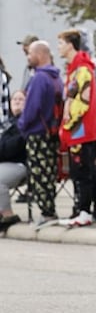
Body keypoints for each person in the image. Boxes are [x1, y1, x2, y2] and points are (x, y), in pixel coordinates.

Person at [56, 29, 96, 227]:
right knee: (78, 172)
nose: (59, 48)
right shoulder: (75, 68)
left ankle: (84, 211)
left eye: (61, 43)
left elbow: (82, 102)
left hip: (81, 131)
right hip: (77, 130)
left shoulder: (83, 69)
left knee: (83, 172)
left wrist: (68, 122)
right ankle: (80, 210)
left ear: (70, 44)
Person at [18, 41, 62, 222]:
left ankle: (47, 213)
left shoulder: (39, 78)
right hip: (52, 132)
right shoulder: (56, 78)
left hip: (37, 133)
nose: (28, 57)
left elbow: (32, 107)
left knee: (39, 174)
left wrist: (22, 125)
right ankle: (50, 209)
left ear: (40, 54)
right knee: (49, 173)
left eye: (30, 53)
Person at [0, 89, 27, 231]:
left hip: (19, 164)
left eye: (21, 99)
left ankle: (7, 214)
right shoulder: (8, 123)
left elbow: (14, 147)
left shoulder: (24, 123)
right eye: (14, 99)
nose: (17, 101)